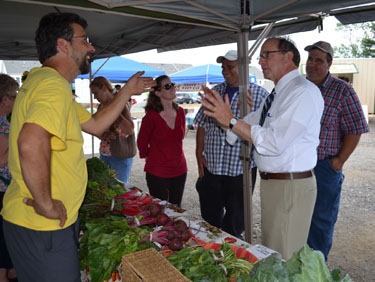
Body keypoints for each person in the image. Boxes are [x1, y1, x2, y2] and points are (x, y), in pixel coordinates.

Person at [1, 12, 155, 282]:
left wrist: (126, 91)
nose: (91, 47)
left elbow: (96, 125)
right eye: (85, 40)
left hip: (37, 223)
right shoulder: (52, 86)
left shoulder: (44, 82)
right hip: (43, 224)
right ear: (63, 45)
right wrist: (46, 203)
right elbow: (30, 143)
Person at [201, 37, 324, 259]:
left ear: (289, 57)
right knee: (275, 249)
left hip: (290, 185)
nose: (261, 61)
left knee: (284, 256)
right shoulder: (278, 94)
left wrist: (230, 121)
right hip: (278, 183)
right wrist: (225, 120)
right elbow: (250, 123)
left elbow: (274, 142)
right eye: (261, 56)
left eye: (267, 54)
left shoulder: (302, 92)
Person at [304, 41, 369, 260]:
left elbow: (356, 128)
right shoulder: (301, 88)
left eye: (318, 60)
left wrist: (339, 161)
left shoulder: (342, 90)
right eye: (310, 59)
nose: (312, 64)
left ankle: (316, 267)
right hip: (298, 164)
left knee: (321, 219)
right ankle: (298, 262)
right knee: (299, 215)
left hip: (324, 166)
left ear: (329, 64)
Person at [194, 50, 268, 238]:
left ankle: (229, 254)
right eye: (223, 67)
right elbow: (202, 124)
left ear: (243, 68)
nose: (225, 71)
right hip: (212, 167)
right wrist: (198, 154)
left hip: (240, 169)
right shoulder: (215, 93)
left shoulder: (260, 95)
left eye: (230, 67)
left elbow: (266, 132)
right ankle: (213, 251)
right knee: (210, 219)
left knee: (235, 223)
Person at [137, 75, 187, 207]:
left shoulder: (181, 112)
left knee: (176, 209)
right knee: (159, 210)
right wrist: (149, 157)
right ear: (158, 92)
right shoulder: (151, 116)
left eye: (173, 84)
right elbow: (141, 141)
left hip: (180, 170)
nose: (173, 88)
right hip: (157, 172)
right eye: (168, 86)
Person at [90, 76, 135, 184]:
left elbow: (130, 130)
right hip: (105, 153)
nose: (95, 97)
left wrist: (114, 111)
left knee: (118, 187)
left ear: (104, 88)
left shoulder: (121, 103)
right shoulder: (101, 106)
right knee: (106, 186)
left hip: (121, 154)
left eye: (96, 93)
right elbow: (96, 127)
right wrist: (103, 134)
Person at [0, 74, 18, 282]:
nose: (16, 100)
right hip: (2, 190)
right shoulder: (2, 125)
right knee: (3, 239)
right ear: (5, 99)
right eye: (14, 96)